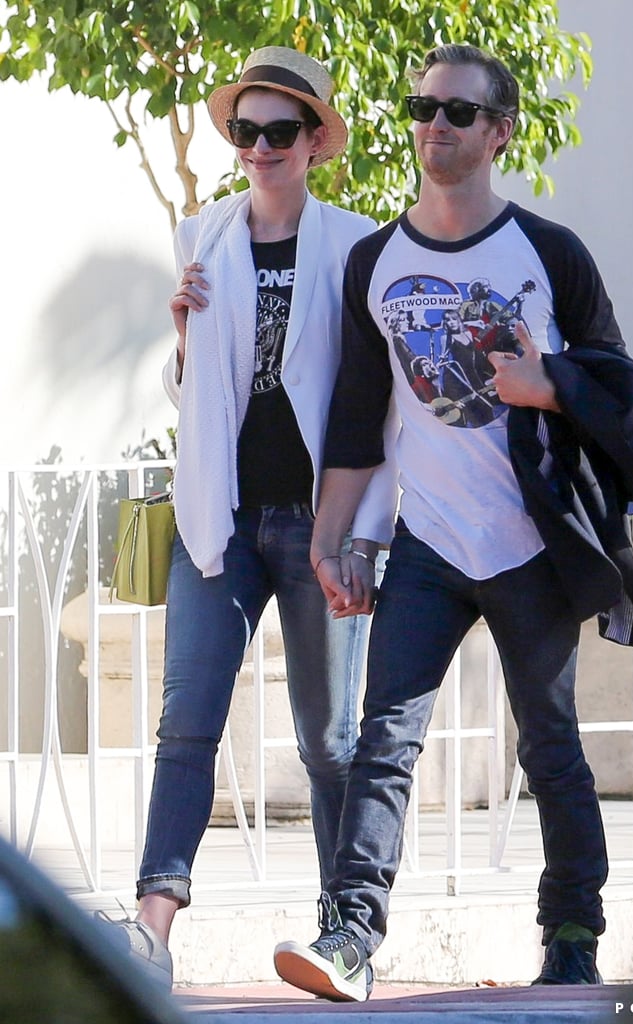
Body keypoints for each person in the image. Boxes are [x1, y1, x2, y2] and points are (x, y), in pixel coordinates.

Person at [273, 43, 633, 1001]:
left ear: (499, 131)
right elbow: (356, 415)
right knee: (383, 739)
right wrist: (330, 540)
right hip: (426, 541)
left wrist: (549, 384)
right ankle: (349, 937)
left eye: (458, 112)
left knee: (550, 746)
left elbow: (624, 392)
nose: (434, 125)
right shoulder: (377, 262)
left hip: (529, 543)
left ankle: (574, 934)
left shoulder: (549, 252)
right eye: (421, 108)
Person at [107, 46, 397, 989]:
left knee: (328, 739)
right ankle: (151, 925)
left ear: (315, 142)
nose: (260, 148)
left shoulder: (357, 245)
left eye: (280, 131)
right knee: (186, 720)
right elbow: (194, 393)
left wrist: (360, 532)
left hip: (319, 522)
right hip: (220, 521)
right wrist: (185, 339)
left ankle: (342, 934)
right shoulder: (205, 235)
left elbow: (371, 399)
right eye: (245, 131)